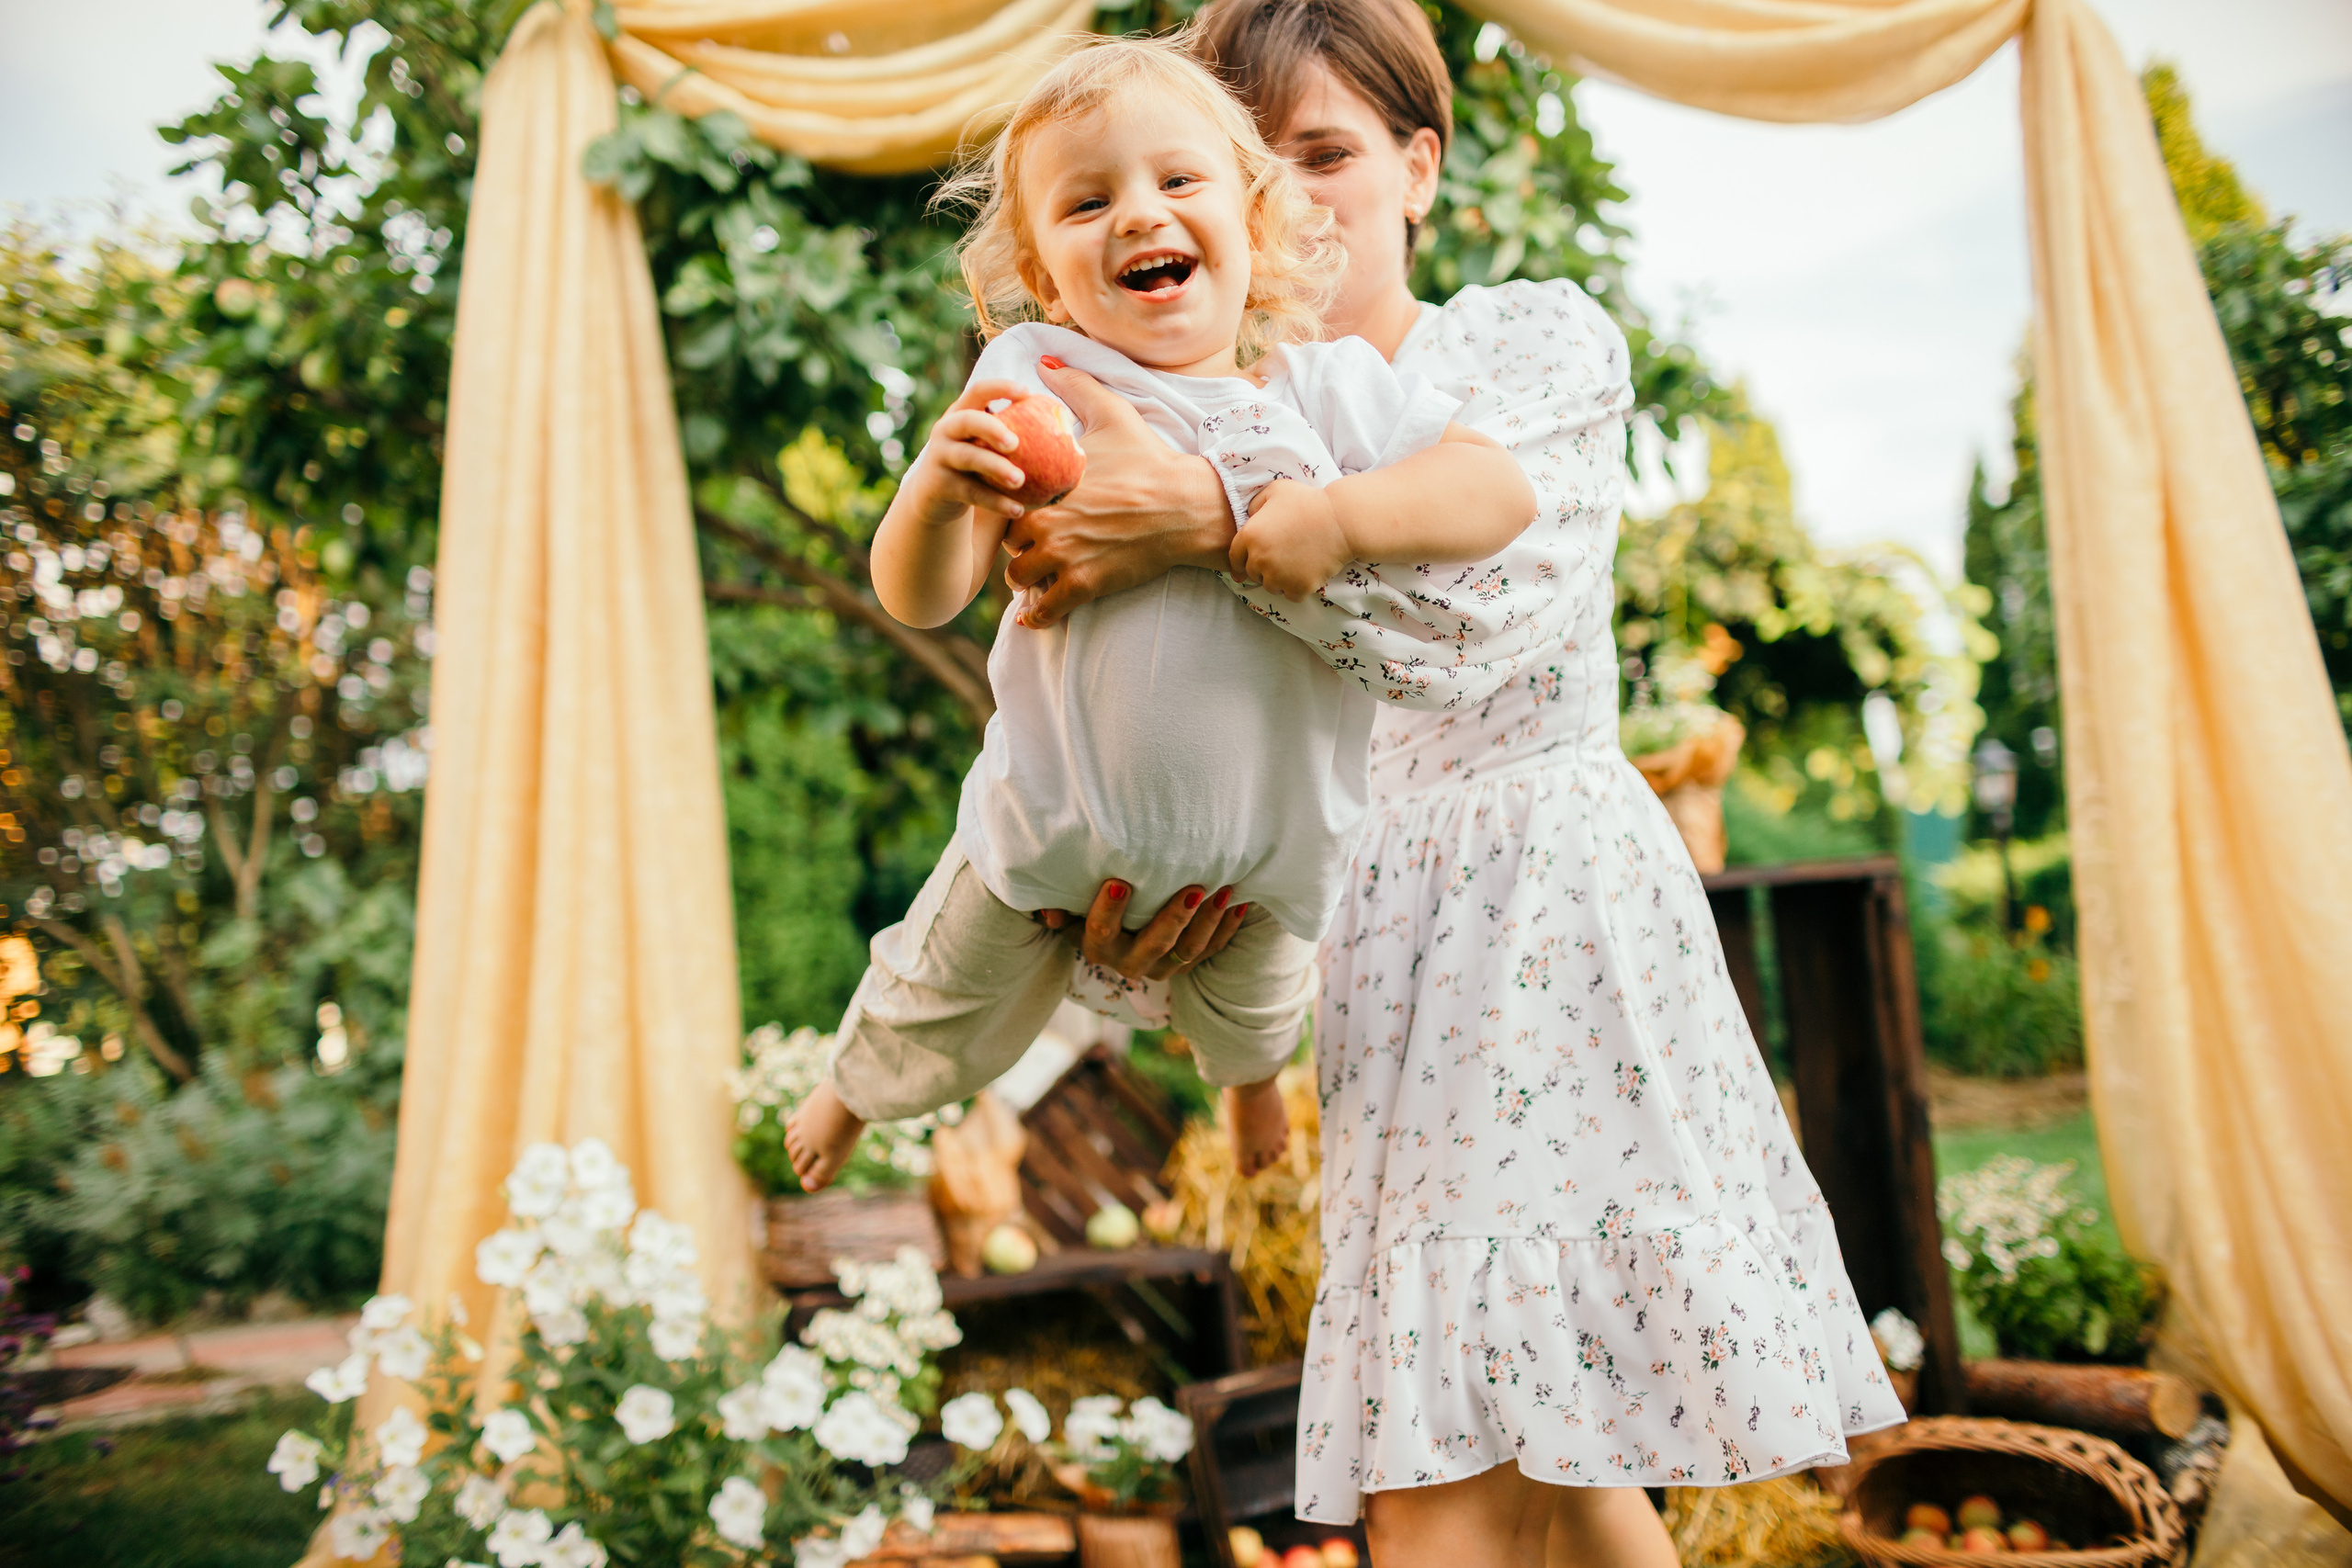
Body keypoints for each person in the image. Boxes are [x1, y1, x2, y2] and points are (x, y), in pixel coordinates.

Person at [1008, 4, 1908, 1563]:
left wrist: (1210, 518)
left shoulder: (1521, 347)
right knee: (1551, 1463)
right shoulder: (1195, 425)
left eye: (1330, 155)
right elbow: (1166, 749)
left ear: (1419, 168)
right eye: (1247, 164)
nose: (1287, 202)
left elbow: (1476, 618)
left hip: (1545, 921)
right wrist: (1143, 924)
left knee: (1447, 1478)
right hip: (1376, 959)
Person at [783, 35, 1538, 1197]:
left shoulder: (1324, 392)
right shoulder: (1039, 385)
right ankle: (851, 1090)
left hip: (1267, 855)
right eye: (1087, 201)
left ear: (1253, 217)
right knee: (940, 989)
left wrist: (1337, 519)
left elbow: (1497, 493)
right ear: (1041, 278)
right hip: (1048, 828)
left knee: (1256, 1011)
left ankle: (1242, 1093)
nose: (1138, 214)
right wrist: (934, 493)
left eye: (1176, 182)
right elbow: (920, 595)